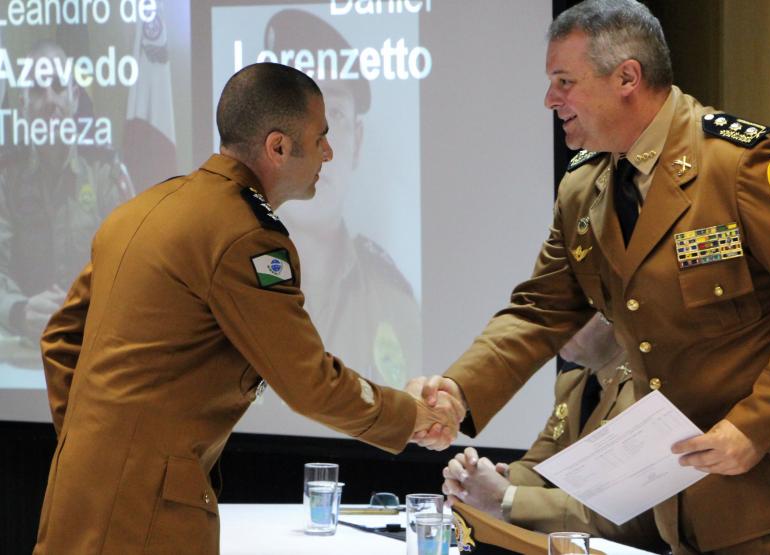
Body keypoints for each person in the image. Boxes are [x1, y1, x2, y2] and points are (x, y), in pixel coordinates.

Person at [413, 1, 770, 553]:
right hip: (681, 504)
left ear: (627, 78)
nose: (550, 100)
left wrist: (757, 426)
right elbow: (539, 310)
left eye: (564, 82)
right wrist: (457, 390)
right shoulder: (583, 188)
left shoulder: (739, 166)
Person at [33, 63, 462, 554]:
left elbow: (60, 341)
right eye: (320, 137)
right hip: (145, 517)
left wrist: (92, 450)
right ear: (278, 147)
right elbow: (309, 383)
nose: (328, 152)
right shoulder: (246, 238)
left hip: (75, 500)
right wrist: (411, 415)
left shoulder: (143, 209)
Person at [267, 9, 421, 389]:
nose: (319, 147)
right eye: (297, 116)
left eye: (334, 115)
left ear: (358, 141)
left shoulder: (393, 299)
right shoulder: (231, 279)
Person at [441, 314, 667, 553]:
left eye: (571, 311)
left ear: (610, 314)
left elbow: (619, 511)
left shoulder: (647, 389)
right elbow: (540, 465)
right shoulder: (573, 380)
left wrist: (506, 497)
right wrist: (477, 479)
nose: (555, 328)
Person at [0, 41, 132, 346]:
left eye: (59, 87)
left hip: (96, 340)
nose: (50, 100)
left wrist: (87, 307)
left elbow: (131, 264)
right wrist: (18, 310)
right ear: (23, 103)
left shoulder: (104, 172)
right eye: (37, 90)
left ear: (74, 96)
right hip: (24, 346)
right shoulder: (6, 178)